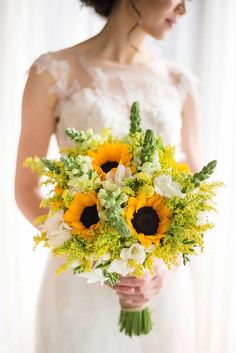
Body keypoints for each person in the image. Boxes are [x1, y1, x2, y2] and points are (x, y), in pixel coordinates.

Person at [15, 0, 203, 352]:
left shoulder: (180, 82)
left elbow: (197, 188)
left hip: (159, 283)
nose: (183, 10)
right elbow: (26, 187)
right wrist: (95, 255)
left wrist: (159, 266)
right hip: (78, 281)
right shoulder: (53, 72)